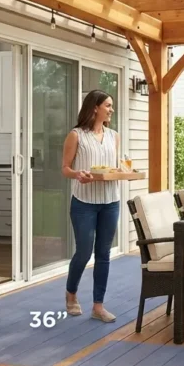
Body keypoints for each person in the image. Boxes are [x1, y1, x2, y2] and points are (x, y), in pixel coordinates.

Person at [61, 90, 121, 322]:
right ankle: (71, 294)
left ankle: (98, 306)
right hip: (84, 202)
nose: (111, 109)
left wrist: (123, 172)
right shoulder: (76, 135)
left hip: (110, 202)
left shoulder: (114, 136)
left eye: (111, 106)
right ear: (95, 107)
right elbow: (65, 168)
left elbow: (113, 168)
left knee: (103, 253)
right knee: (84, 251)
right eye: (108, 105)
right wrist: (78, 174)